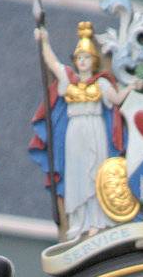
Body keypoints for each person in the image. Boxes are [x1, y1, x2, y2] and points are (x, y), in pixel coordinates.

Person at [33, 21, 133, 238]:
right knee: (76, 175)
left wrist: (133, 87)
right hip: (75, 131)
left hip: (94, 129)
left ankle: (97, 220)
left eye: (86, 58)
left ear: (93, 61)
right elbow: (52, 62)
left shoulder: (102, 84)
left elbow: (117, 99)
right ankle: (78, 222)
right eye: (79, 58)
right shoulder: (69, 80)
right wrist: (44, 41)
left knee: (95, 173)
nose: (82, 62)